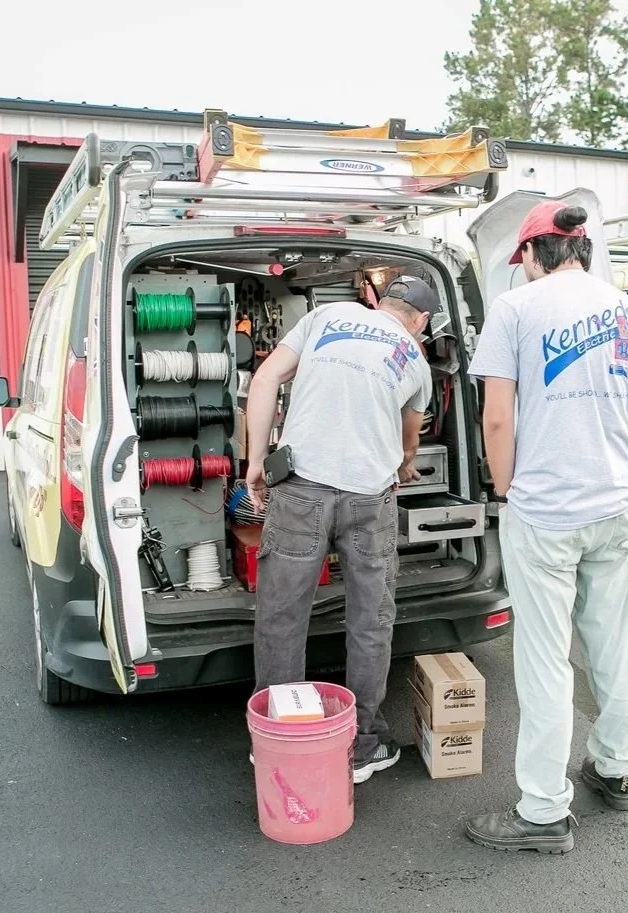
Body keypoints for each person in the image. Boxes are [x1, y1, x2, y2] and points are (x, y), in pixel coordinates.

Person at [465, 201, 628, 854]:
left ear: (532, 252)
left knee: (545, 661)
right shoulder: (627, 310)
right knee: (612, 647)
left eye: (518, 259)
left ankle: (544, 811)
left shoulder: (515, 311)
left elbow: (496, 420)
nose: (518, 269)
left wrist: (505, 488)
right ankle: (613, 767)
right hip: (614, 509)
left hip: (545, 514)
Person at [245, 276, 438, 783]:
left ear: (379, 302)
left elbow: (264, 381)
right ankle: (364, 745)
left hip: (301, 488)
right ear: (420, 322)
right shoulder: (415, 361)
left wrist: (255, 462)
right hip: (369, 501)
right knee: (370, 620)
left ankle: (281, 735)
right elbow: (408, 447)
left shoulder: (324, 317)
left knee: (283, 616)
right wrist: (403, 465)